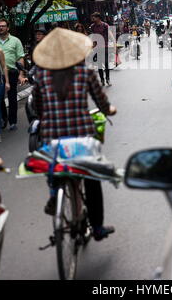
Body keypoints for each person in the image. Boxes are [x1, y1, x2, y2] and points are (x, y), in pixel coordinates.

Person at [32, 27, 117, 241]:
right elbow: (102, 102)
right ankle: (97, 227)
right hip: (81, 138)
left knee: (54, 166)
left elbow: (37, 108)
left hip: (52, 138)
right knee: (91, 178)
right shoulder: (84, 73)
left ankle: (54, 194)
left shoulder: (41, 76)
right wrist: (109, 110)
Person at [0, 19, 27, 131]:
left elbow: (20, 58)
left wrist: (21, 74)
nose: (1, 28)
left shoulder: (15, 41)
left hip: (12, 72)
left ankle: (13, 121)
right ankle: (4, 118)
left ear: (8, 28)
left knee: (12, 97)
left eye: (3, 26)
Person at [90, 12, 115, 87]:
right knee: (99, 65)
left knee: (106, 64)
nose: (92, 19)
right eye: (92, 17)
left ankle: (108, 78)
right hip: (97, 48)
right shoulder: (92, 26)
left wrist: (114, 43)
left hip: (105, 47)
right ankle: (102, 80)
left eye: (94, 17)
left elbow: (110, 34)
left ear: (98, 18)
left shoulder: (105, 25)